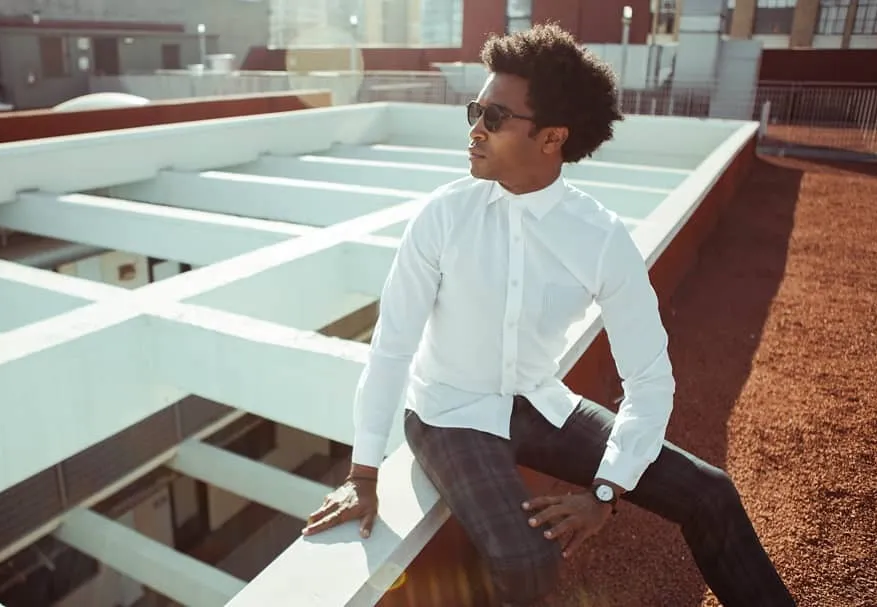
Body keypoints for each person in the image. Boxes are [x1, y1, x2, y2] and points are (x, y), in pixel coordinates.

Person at [300, 24, 795, 607]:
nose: (475, 129)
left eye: (495, 117)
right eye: (475, 111)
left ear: (552, 138)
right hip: (445, 413)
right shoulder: (443, 215)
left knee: (711, 493)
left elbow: (648, 378)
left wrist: (605, 492)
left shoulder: (601, 237)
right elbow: (391, 347)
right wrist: (362, 476)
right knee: (528, 560)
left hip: (538, 403)